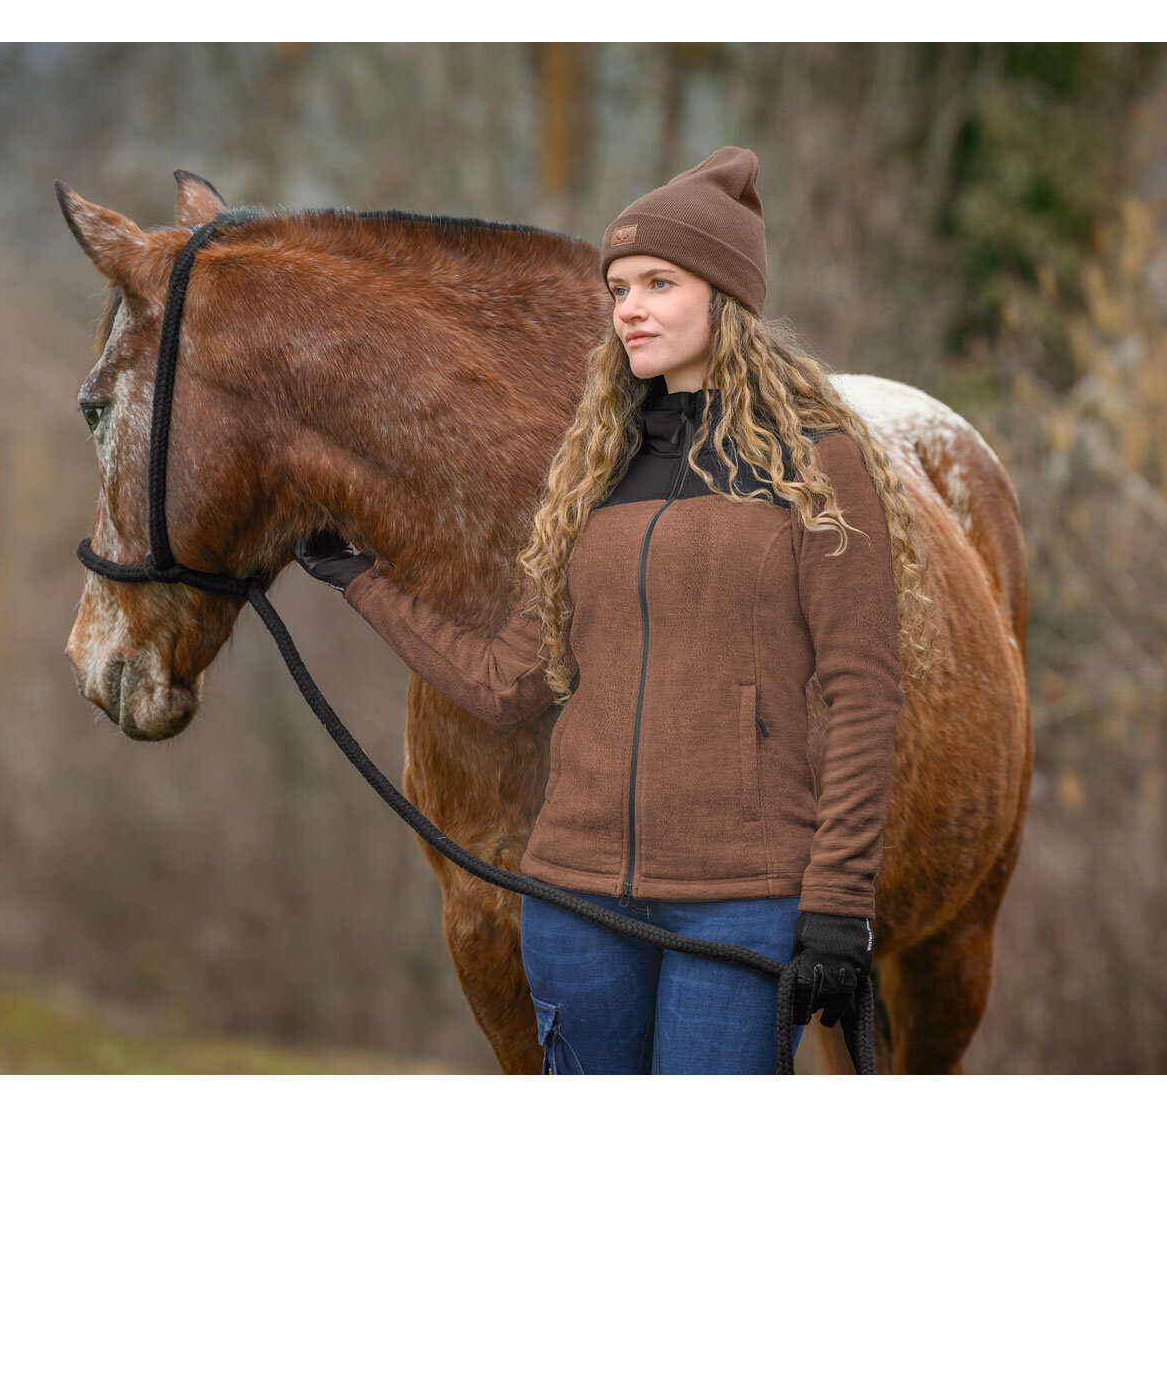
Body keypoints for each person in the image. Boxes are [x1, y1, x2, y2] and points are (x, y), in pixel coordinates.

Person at [295, 147, 929, 1074]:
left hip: (742, 903)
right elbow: (506, 682)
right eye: (619, 286)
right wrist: (359, 582)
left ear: (726, 294)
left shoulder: (816, 468)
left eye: (658, 282)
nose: (628, 306)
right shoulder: (594, 474)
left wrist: (838, 907)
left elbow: (867, 695)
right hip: (575, 904)